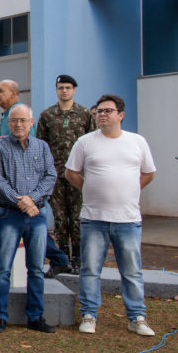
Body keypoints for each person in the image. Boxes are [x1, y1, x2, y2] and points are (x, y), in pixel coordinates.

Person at [65, 94, 157, 337]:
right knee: (90, 269)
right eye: (99, 111)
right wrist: (90, 188)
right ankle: (89, 314)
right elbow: (71, 173)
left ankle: (136, 317)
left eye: (107, 111)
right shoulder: (85, 142)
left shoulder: (137, 142)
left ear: (121, 115)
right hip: (94, 218)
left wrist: (130, 190)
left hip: (128, 219)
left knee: (132, 271)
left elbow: (148, 173)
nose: (102, 115)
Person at [0, 104, 57, 334]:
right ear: (9, 123)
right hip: (8, 214)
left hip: (37, 214)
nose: (18, 124)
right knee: (3, 267)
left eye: (23, 120)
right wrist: (22, 202)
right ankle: (0, 316)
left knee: (36, 268)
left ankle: (35, 317)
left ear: (31, 122)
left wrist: (31, 199)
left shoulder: (42, 147)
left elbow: (50, 176)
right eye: (14, 120)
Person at [36, 74, 95, 277]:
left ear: (74, 90)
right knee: (60, 220)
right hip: (55, 175)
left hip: (78, 175)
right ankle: (62, 260)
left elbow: (93, 144)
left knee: (77, 218)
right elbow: (41, 146)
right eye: (61, 88)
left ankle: (78, 258)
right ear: (56, 90)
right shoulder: (47, 115)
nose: (64, 91)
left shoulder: (84, 114)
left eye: (68, 88)